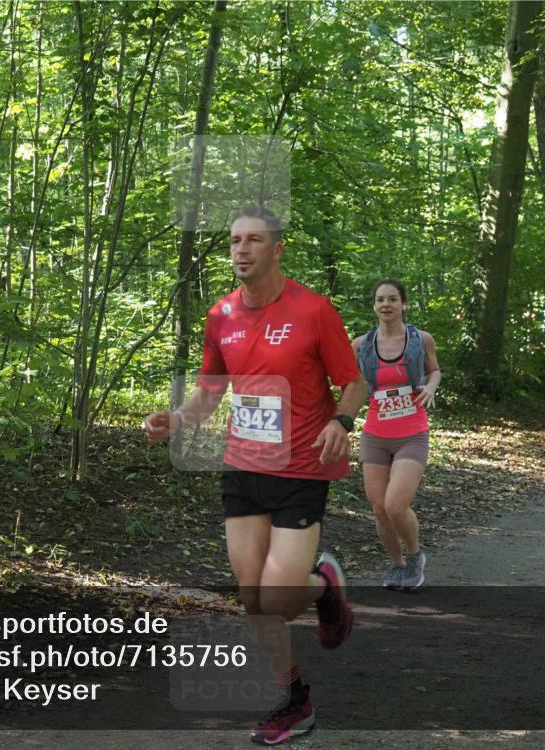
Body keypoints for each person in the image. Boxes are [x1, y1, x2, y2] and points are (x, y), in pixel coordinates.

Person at [143, 205, 367, 745]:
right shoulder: (220, 316)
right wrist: (177, 419)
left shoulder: (314, 310)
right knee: (252, 599)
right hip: (243, 467)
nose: (241, 250)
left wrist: (341, 420)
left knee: (278, 600)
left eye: (254, 240)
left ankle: (322, 587)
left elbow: (354, 383)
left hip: (299, 470)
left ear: (277, 249)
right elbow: (211, 390)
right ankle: (295, 700)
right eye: (235, 241)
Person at [351, 280, 441, 591]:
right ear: (374, 306)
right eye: (380, 300)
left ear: (403, 304)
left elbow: (434, 370)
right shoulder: (361, 344)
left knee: (395, 504)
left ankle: (415, 556)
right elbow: (352, 386)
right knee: (378, 507)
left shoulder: (420, 339)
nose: (386, 304)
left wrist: (430, 386)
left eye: (392, 299)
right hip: (375, 433)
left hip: (411, 433)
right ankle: (397, 564)